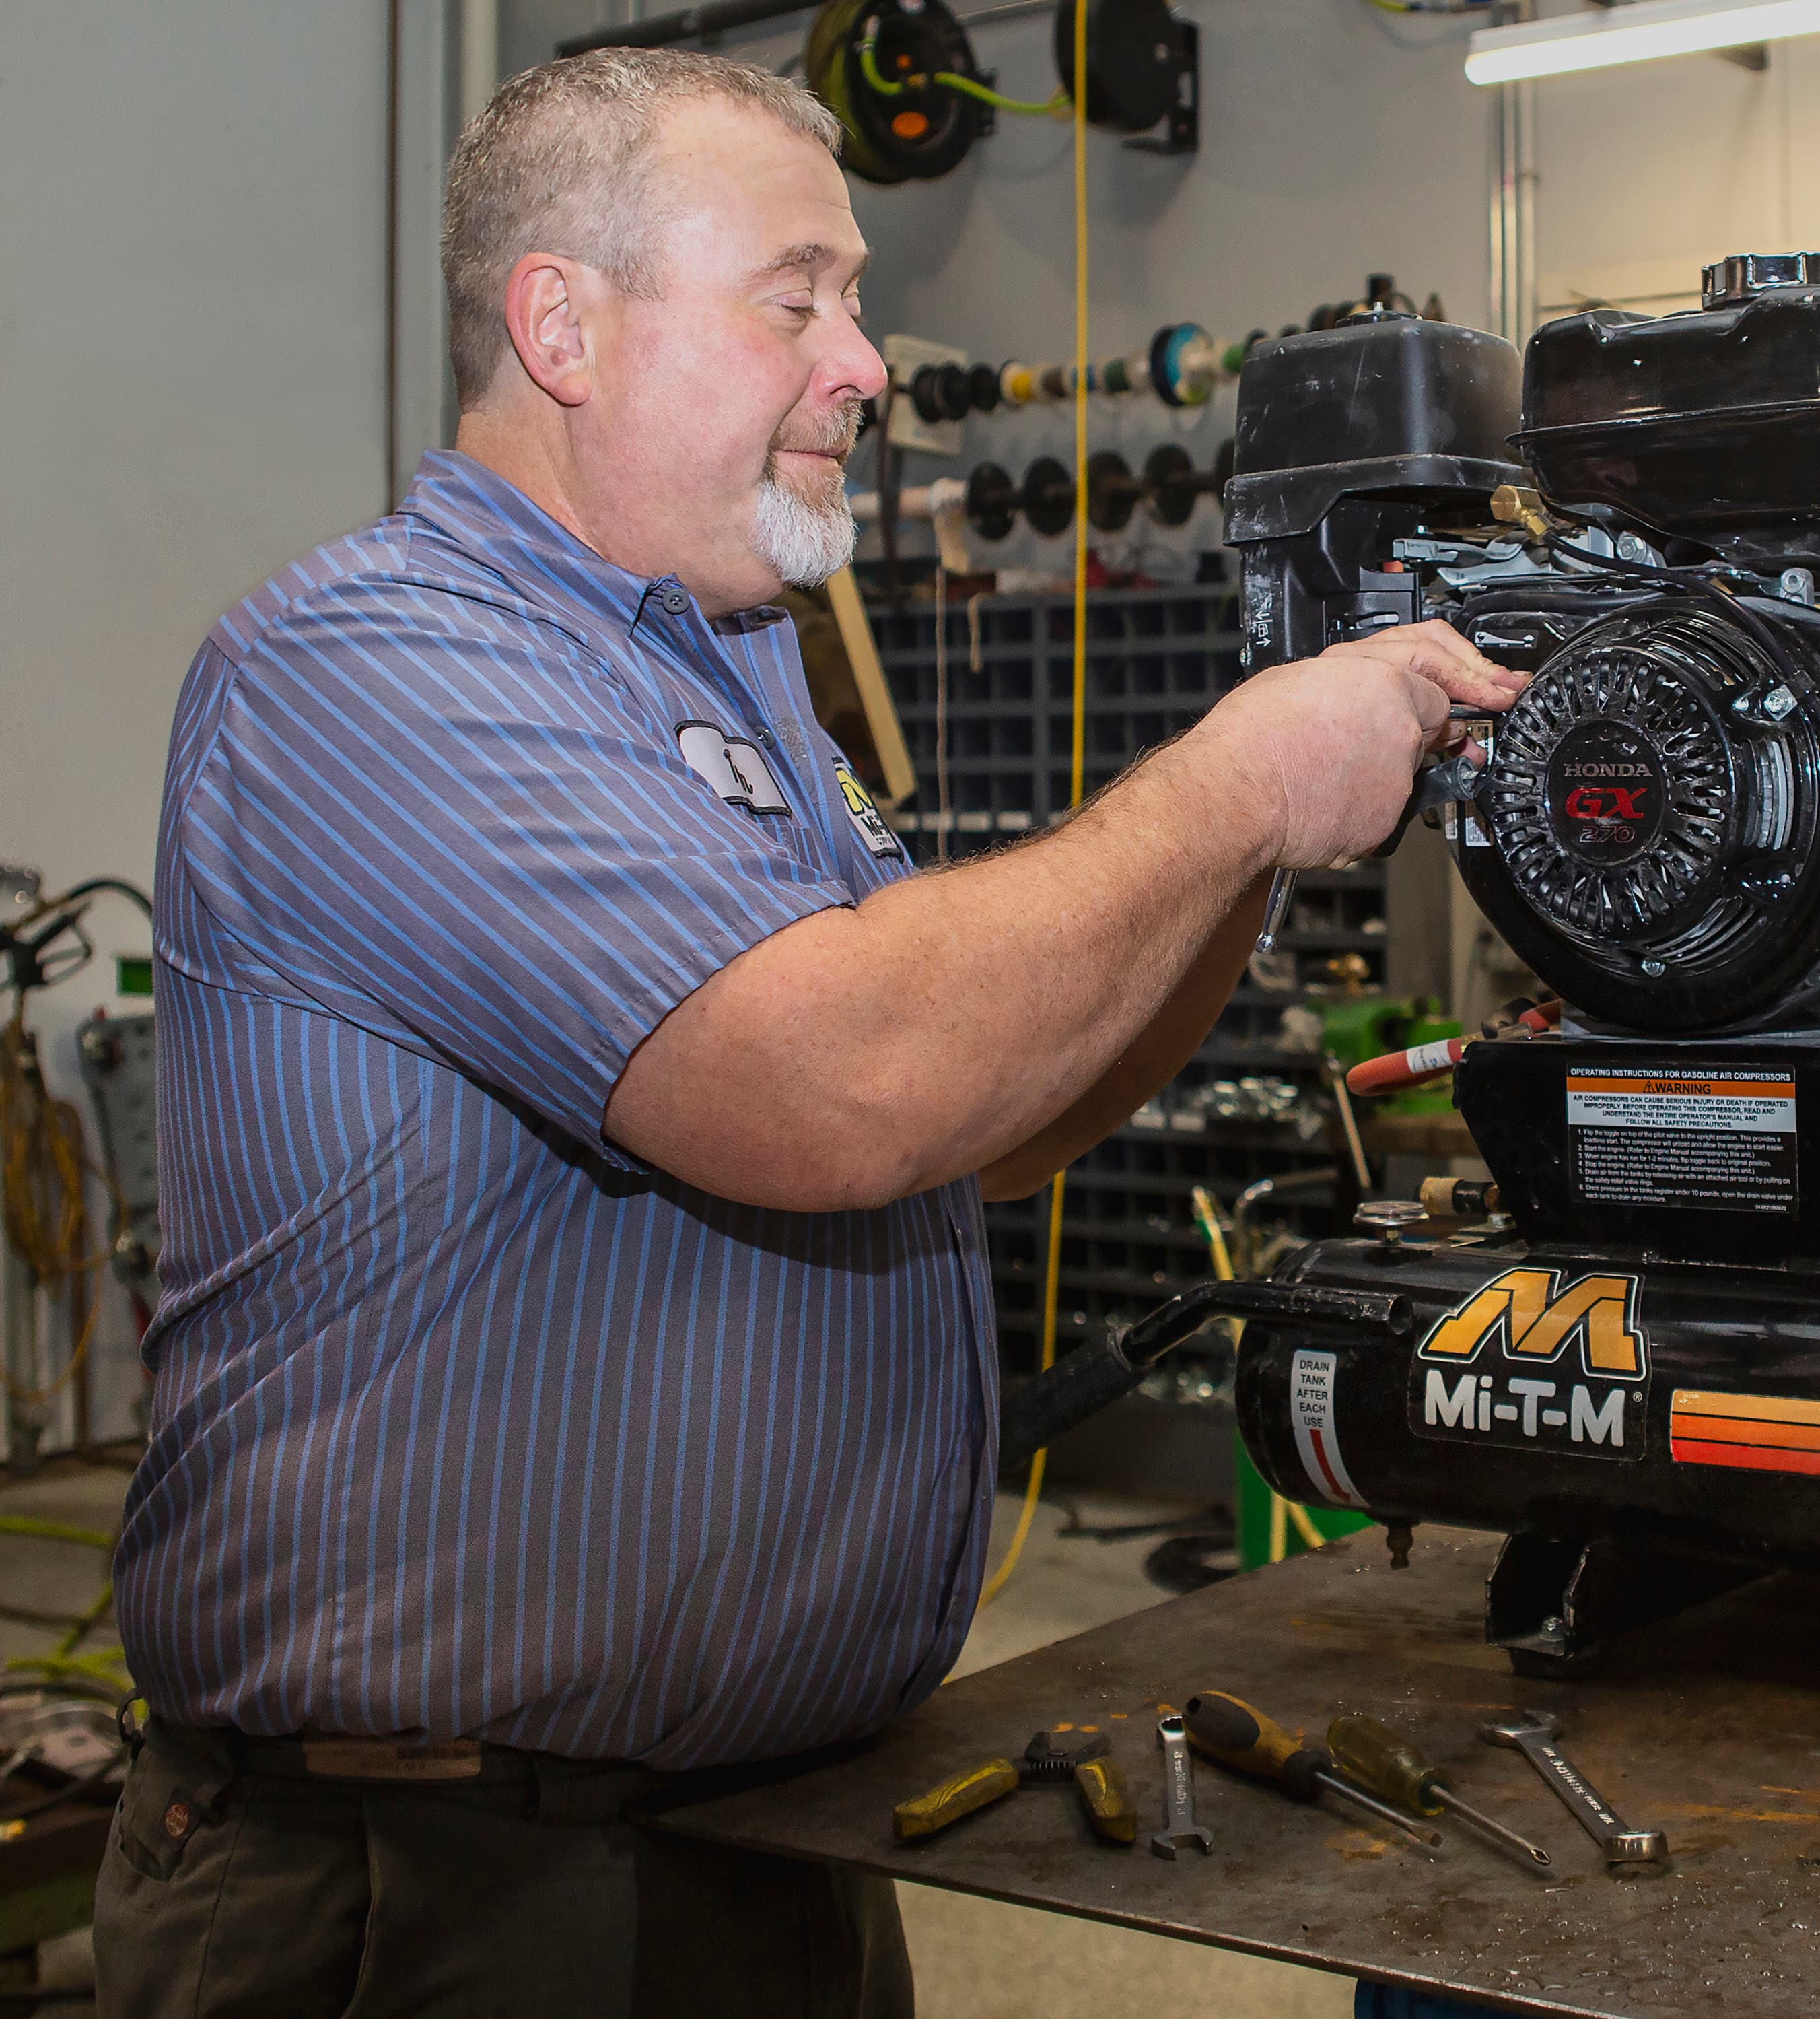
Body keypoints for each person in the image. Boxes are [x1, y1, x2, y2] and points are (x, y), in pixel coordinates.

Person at [93, 46, 1517, 2018]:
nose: (865, 362)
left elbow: (984, 1124)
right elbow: (844, 1089)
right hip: (443, 1880)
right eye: (801, 297)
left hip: (754, 1831)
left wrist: (1259, 859)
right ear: (562, 325)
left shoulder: (738, 672)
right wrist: (1242, 786)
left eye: (855, 299)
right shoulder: (372, 664)